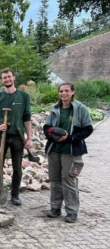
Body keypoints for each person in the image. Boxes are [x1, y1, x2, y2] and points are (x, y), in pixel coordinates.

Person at [43, 82, 93, 223]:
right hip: (54, 150)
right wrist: (52, 136)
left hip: (71, 151)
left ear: (73, 92)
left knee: (69, 180)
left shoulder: (80, 109)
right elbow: (47, 127)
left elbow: (88, 129)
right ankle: (55, 208)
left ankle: (71, 211)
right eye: (61, 91)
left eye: (66, 91)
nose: (63, 94)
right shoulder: (55, 108)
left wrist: (70, 138)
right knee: (55, 180)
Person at [0, 68, 32, 205]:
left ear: (14, 78)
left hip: (17, 136)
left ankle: (15, 194)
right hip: (1, 136)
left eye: (9, 77)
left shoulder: (24, 96)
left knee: (17, 167)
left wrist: (29, 138)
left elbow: (27, 118)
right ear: (2, 80)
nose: (7, 79)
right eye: (4, 77)